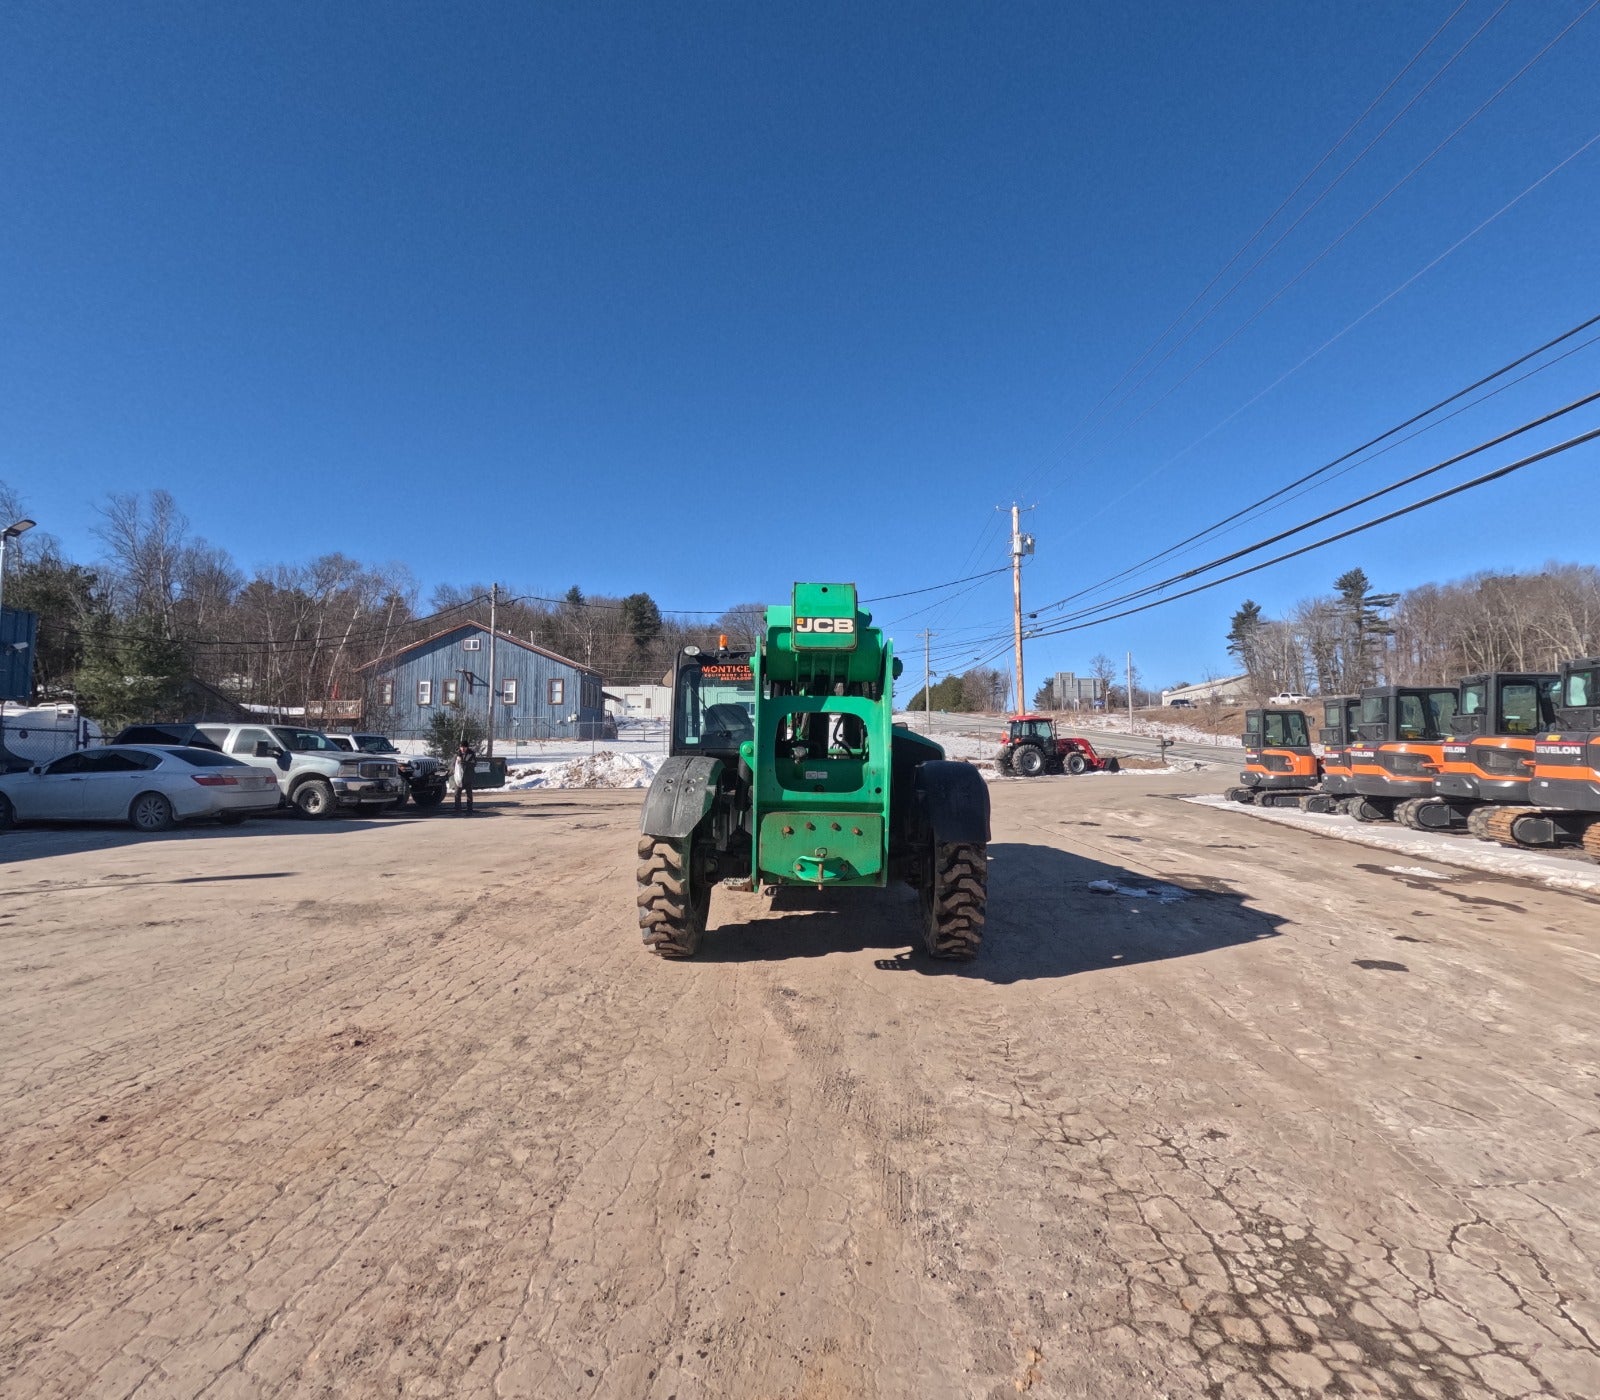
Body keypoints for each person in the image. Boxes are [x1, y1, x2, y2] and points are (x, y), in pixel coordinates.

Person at [453, 739, 476, 814]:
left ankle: (469, 810)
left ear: (467, 747)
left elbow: (473, 764)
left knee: (469, 794)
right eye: (461, 747)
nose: (463, 749)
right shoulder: (457, 754)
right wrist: (450, 771)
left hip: (468, 777)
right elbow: (452, 765)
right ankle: (457, 810)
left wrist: (463, 762)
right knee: (457, 794)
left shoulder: (471, 754)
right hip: (459, 778)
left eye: (464, 747)